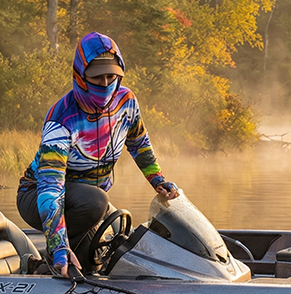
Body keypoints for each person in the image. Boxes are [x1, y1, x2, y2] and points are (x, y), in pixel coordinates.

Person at [17, 31, 179, 277]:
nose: (105, 84)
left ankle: (37, 265)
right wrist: (59, 246)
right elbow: (51, 189)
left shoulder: (127, 102)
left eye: (111, 76)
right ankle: (53, 258)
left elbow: (139, 143)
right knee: (95, 203)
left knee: (97, 257)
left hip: (86, 198)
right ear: (81, 77)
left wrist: (158, 180)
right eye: (96, 78)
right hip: (38, 195)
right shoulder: (61, 119)